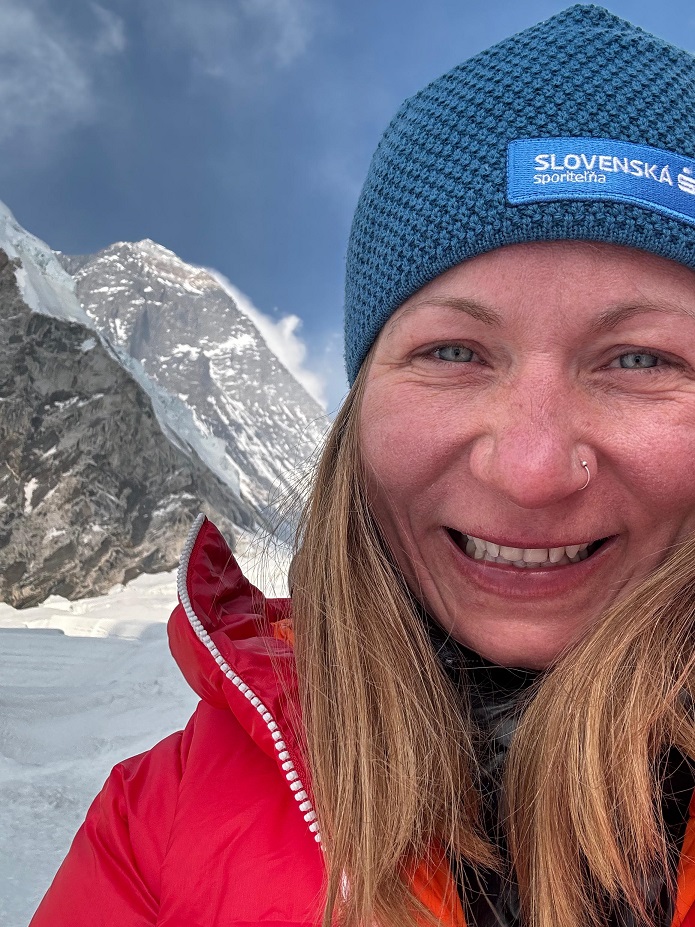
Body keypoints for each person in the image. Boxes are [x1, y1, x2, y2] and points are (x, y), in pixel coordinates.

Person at [29, 5, 695, 926]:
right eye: (453, 351)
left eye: (640, 359)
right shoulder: (155, 836)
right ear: (361, 403)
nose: (532, 468)